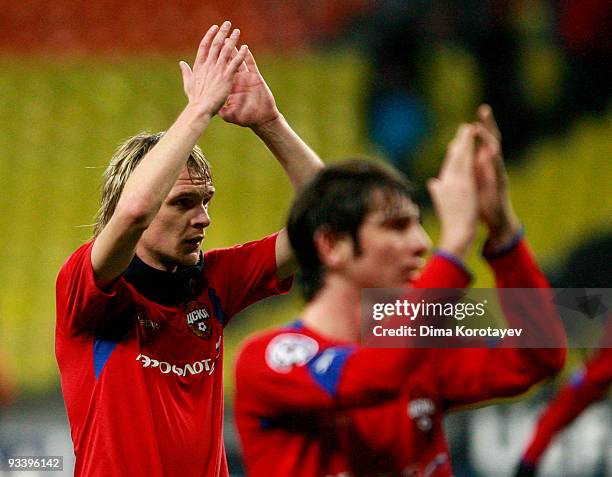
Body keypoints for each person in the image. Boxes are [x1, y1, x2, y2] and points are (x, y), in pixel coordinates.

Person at [234, 106, 566, 476]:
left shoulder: (416, 355)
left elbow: (540, 356)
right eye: (397, 226)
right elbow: (373, 377)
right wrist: (454, 246)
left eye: (420, 226)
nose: (422, 243)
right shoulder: (269, 360)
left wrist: (501, 226)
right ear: (332, 245)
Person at [55, 22, 323, 477]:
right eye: (182, 203)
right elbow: (135, 210)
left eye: (205, 202)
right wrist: (199, 109)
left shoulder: (214, 282)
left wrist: (269, 122)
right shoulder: (89, 291)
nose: (203, 218)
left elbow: (331, 218)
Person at [515, 319, 611, 477]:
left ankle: (527, 465)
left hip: (600, 367)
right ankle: (527, 465)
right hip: (599, 365)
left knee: (551, 419)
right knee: (550, 419)